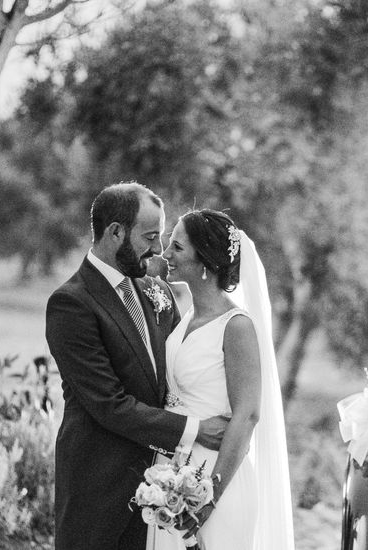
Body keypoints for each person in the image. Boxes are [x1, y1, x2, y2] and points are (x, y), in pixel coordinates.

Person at [46, 183, 229, 550]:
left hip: (162, 492)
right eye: (150, 236)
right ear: (115, 232)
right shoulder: (71, 304)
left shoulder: (154, 290)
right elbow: (109, 405)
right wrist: (195, 430)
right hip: (99, 488)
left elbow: (179, 373)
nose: (159, 250)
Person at [149, 209, 294, 550]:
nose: (165, 254)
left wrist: (207, 498)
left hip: (216, 479)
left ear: (207, 262)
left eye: (177, 248)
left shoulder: (236, 326)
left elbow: (247, 416)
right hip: (170, 477)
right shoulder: (185, 319)